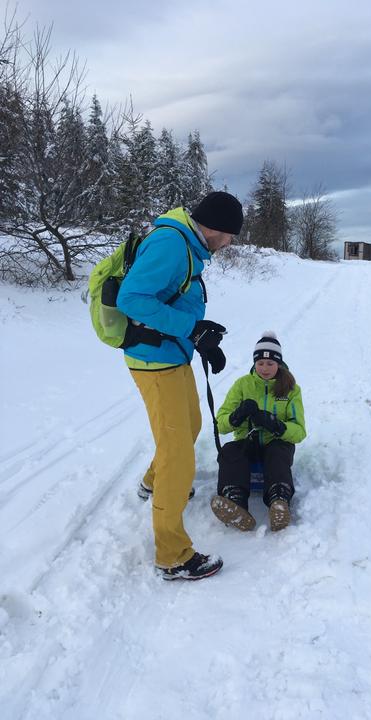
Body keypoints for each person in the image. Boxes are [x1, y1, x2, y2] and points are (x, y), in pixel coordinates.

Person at [116, 191, 243, 581]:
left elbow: (172, 300)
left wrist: (200, 338)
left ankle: (153, 481)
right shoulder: (172, 244)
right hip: (154, 361)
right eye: (230, 235)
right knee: (179, 456)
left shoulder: (186, 244)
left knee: (191, 425)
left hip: (170, 355)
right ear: (215, 227)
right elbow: (131, 298)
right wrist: (191, 328)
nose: (230, 243)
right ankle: (172, 555)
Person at [212, 331, 306, 532]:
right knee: (230, 451)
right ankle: (235, 501)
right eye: (260, 363)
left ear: (278, 363)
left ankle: (279, 500)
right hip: (248, 442)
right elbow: (220, 423)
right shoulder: (242, 385)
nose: (264, 368)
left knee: (278, 452)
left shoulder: (290, 389)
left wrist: (277, 425)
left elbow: (299, 431)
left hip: (275, 443)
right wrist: (236, 416)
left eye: (270, 363)